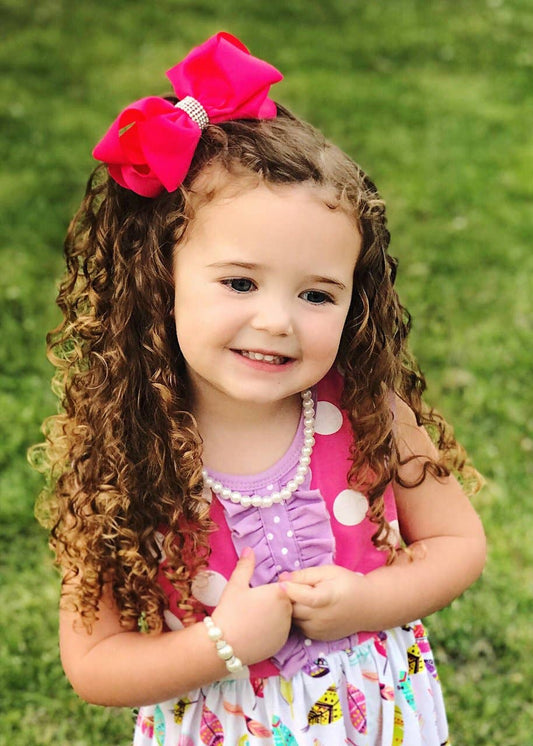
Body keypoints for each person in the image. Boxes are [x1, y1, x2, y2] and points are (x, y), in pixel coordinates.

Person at [34, 31, 486, 746]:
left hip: (378, 722)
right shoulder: (128, 452)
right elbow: (94, 662)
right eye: (240, 283)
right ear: (161, 280)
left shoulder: (366, 413)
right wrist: (222, 643)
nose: (277, 321)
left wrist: (368, 600)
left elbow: (458, 543)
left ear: (354, 300)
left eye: (317, 294)